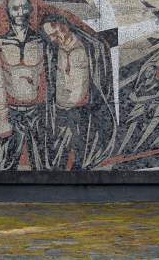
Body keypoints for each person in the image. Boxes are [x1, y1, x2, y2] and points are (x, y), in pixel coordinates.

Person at [39, 14, 117, 170]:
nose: (53, 39)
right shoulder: (51, 50)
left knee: (82, 149)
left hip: (83, 108)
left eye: (54, 34)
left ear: (64, 26)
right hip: (60, 107)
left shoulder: (90, 47)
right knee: (59, 151)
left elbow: (103, 79)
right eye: (50, 37)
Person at [0, 0, 47, 170]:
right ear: (8, 12)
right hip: (12, 111)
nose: (20, 13)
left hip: (36, 111)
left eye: (24, 8)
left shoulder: (41, 41)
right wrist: (3, 118)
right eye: (15, 8)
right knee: (7, 164)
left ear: (30, 10)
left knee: (41, 163)